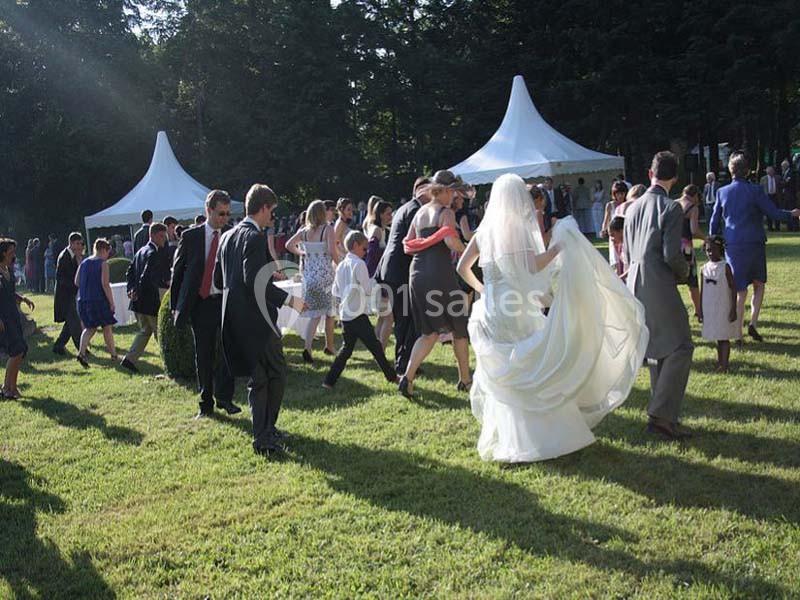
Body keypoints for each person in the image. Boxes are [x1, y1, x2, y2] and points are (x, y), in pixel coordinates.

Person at [456, 174, 648, 463]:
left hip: (494, 307)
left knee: (507, 370)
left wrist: (484, 289)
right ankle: (545, 436)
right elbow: (532, 267)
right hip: (518, 308)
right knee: (531, 365)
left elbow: (462, 267)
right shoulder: (517, 230)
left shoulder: (484, 232)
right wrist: (558, 248)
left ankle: (513, 437)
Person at [213, 184, 306, 456]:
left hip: (233, 320)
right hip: (257, 320)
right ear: (264, 207)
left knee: (259, 378)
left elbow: (221, 280)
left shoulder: (227, 236)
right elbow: (254, 281)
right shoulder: (254, 238)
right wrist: (292, 301)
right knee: (276, 372)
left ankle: (263, 434)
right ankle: (266, 432)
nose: (272, 218)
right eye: (272, 212)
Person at [624, 151, 693, 440]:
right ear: (675, 178)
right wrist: (686, 273)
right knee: (681, 345)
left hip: (634, 280)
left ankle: (661, 415)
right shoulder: (671, 207)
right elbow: (671, 255)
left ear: (650, 173)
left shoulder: (632, 207)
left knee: (656, 348)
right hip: (657, 279)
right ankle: (661, 416)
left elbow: (626, 252)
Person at [710, 151, 800, 342]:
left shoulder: (722, 192)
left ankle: (738, 332)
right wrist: (791, 214)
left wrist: (712, 240)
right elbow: (773, 213)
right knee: (759, 284)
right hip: (755, 243)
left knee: (740, 290)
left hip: (733, 244)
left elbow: (714, 221)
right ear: (748, 170)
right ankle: (753, 323)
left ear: (730, 170)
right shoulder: (756, 190)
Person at [399, 170, 470, 398]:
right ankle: (465, 380)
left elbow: (407, 244)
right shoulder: (445, 212)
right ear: (447, 190)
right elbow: (451, 242)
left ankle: (407, 377)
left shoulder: (420, 212)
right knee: (459, 327)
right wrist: (471, 250)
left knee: (428, 332)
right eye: (455, 191)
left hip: (417, 274)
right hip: (439, 274)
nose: (455, 196)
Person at [170, 190, 240, 419]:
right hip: (200, 304)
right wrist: (176, 306)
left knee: (228, 351)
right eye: (221, 213)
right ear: (208, 210)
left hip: (224, 302)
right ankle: (205, 403)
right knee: (204, 354)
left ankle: (225, 398)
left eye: (228, 214)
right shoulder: (191, 237)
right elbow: (178, 274)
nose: (224, 218)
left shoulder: (231, 235)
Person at [322, 231, 397, 389]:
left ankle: (329, 380)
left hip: (346, 315)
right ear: (355, 246)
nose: (366, 252)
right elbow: (368, 288)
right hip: (357, 314)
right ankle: (392, 376)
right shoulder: (359, 264)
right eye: (364, 249)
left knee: (346, 350)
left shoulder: (341, 264)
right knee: (375, 348)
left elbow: (335, 291)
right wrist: (377, 282)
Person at [377, 176, 430, 376]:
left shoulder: (406, 207)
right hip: (399, 272)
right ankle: (403, 364)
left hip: (393, 270)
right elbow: (415, 243)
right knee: (406, 319)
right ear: (422, 191)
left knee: (405, 318)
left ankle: (405, 361)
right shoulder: (415, 209)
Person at [285, 200, 337, 363]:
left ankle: (311, 347)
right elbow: (331, 251)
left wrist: (302, 252)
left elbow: (288, 245)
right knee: (329, 313)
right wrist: (340, 263)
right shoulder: (328, 229)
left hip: (309, 277)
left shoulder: (304, 231)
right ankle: (327, 346)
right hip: (326, 276)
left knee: (316, 315)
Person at [120, 222, 169, 374]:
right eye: (161, 236)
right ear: (152, 235)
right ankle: (170, 364)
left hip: (138, 302)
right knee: (159, 333)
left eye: (165, 236)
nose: (164, 239)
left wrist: (132, 289)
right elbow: (146, 276)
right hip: (149, 301)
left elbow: (130, 272)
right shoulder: (152, 253)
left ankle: (129, 359)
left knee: (145, 331)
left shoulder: (140, 251)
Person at [0, 239, 35, 399]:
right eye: (11, 251)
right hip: (3, 318)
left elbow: (10, 292)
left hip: (13, 315)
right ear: (3, 252)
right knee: (16, 351)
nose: (14, 254)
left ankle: (13, 387)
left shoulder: (8, 270)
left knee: (21, 351)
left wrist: (23, 298)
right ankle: (6, 388)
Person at [74, 238, 117, 367]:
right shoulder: (103, 264)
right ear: (104, 250)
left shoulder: (84, 262)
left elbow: (76, 282)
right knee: (107, 328)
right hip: (99, 301)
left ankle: (81, 353)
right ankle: (114, 355)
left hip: (83, 301)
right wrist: (111, 302)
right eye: (108, 252)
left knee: (89, 329)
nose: (108, 256)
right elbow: (105, 284)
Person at [699, 236, 738, 373]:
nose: (710, 253)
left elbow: (733, 287)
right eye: (708, 250)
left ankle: (724, 365)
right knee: (717, 335)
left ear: (720, 250)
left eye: (713, 250)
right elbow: (702, 290)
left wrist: (733, 308)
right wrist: (700, 309)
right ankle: (719, 362)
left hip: (723, 306)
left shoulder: (725, 267)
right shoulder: (704, 269)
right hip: (710, 307)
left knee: (724, 336)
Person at [364, 200, 394, 348]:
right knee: (388, 317)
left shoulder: (380, 229)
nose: (391, 216)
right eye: (388, 213)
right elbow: (371, 254)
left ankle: (376, 348)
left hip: (379, 277)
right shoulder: (376, 230)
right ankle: (380, 350)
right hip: (377, 278)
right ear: (380, 214)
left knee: (383, 316)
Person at [52, 232, 85, 356]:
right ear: (71, 243)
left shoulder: (74, 256)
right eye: (77, 243)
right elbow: (61, 279)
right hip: (65, 296)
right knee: (75, 323)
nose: (79, 246)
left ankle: (58, 346)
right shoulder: (64, 257)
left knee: (69, 324)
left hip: (71, 294)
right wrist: (75, 286)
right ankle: (82, 350)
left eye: (80, 243)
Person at [676, 184, 702, 319]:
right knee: (692, 281)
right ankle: (699, 310)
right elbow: (694, 230)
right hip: (686, 247)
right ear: (695, 195)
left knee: (671, 280)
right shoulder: (692, 208)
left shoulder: (673, 204)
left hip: (671, 246)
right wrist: (705, 238)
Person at [760, 166, 783, 232]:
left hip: (776, 196)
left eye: (772, 171)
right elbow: (761, 188)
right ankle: (770, 227)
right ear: (767, 172)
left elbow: (782, 186)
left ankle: (777, 227)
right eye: (769, 171)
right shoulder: (763, 179)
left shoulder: (778, 177)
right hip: (768, 196)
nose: (771, 172)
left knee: (777, 211)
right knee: (768, 212)